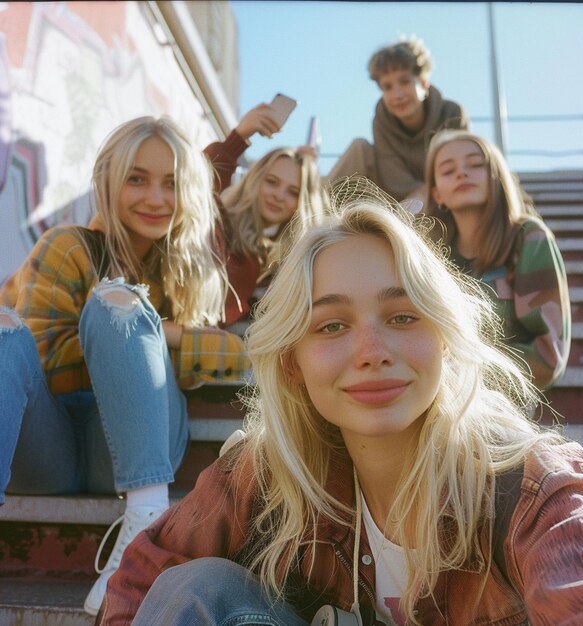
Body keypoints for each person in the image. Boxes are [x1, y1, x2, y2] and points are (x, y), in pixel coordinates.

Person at [97, 186, 583, 625]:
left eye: (402, 317)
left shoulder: (528, 488)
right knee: (197, 589)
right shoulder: (264, 473)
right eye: (331, 325)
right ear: (292, 364)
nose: (372, 353)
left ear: (443, 338)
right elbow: (143, 577)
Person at [0, 116, 250, 616]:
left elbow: (233, 354)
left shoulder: (189, 274)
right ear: (109, 181)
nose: (156, 197)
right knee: (8, 329)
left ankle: (145, 516)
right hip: (50, 447)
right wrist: (136, 343)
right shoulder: (69, 245)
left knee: (118, 302)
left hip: (141, 453)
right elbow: (41, 360)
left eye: (173, 183)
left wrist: (146, 331)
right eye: (138, 178)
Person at [422, 129, 571, 389]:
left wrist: (466, 375)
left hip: (500, 404)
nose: (461, 173)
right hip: (440, 397)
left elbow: (548, 355)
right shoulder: (429, 255)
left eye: (476, 165)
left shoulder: (527, 238)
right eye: (448, 170)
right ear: (437, 195)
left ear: (497, 178)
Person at [204, 103, 328, 333]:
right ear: (255, 179)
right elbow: (195, 187)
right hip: (203, 341)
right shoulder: (221, 225)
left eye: (293, 192)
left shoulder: (297, 256)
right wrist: (239, 137)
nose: (279, 196)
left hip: (261, 358)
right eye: (272, 182)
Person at [327, 37, 469, 205]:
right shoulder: (381, 122)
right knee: (359, 147)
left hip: (440, 196)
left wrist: (425, 194)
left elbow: (459, 167)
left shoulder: (452, 114)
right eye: (387, 87)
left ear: (424, 83)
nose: (397, 95)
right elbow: (394, 179)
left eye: (405, 82)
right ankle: (322, 217)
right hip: (398, 199)